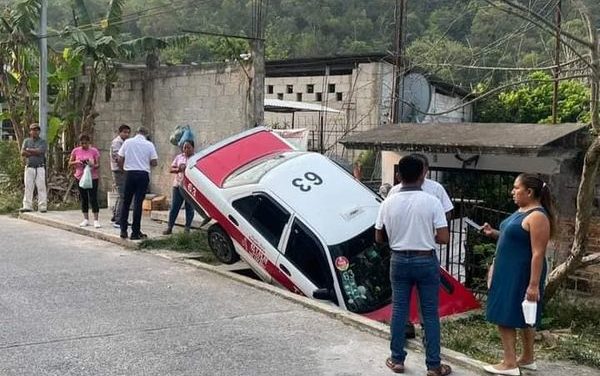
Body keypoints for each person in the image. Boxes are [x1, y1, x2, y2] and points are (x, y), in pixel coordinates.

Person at [375, 155, 452, 376]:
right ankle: (434, 365)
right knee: (429, 312)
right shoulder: (432, 201)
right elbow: (444, 238)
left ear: (399, 175)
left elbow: (379, 236)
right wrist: (426, 235)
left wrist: (399, 235)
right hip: (425, 259)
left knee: (399, 309)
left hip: (398, 260)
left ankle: (397, 359)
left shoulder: (388, 201)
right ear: (422, 174)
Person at [481, 174, 554, 376]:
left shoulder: (538, 216)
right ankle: (527, 358)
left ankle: (509, 363)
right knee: (523, 315)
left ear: (529, 192)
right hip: (507, 270)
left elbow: (538, 252)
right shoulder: (522, 211)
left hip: (520, 273)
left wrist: (533, 285)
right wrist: (494, 233)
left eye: (516, 188)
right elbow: (515, 236)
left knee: (505, 315)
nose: (512, 192)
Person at [118, 126, 158, 240]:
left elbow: (120, 159)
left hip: (129, 174)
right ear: (146, 135)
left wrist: (123, 170)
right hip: (142, 175)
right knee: (137, 204)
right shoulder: (149, 145)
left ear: (136, 133)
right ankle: (135, 232)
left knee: (126, 202)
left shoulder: (127, 142)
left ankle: (123, 230)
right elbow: (154, 162)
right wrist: (146, 160)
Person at [388, 153, 454, 217]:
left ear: (426, 168)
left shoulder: (436, 188)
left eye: (420, 166)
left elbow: (447, 211)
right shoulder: (394, 191)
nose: (417, 169)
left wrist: (438, 224)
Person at [163, 140, 195, 235]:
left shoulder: (196, 158)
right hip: (178, 185)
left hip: (190, 186)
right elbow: (171, 169)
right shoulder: (179, 157)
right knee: (175, 207)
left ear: (193, 148)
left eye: (188, 147)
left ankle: (187, 228)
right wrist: (178, 169)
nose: (186, 149)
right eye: (184, 147)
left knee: (189, 207)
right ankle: (169, 227)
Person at [69, 134, 101, 228]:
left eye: (86, 143)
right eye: (82, 143)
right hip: (80, 177)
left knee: (93, 198)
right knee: (84, 198)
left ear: (89, 142)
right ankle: (85, 219)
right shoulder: (76, 151)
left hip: (92, 177)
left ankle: (96, 219)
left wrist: (92, 164)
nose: (84, 145)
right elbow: (70, 163)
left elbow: (98, 164)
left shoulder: (94, 151)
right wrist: (77, 162)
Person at [19, 123, 48, 213]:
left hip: (40, 167)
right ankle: (27, 206)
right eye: (33, 130)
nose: (35, 132)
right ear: (30, 131)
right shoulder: (26, 141)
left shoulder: (42, 142)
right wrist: (34, 151)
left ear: (39, 131)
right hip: (29, 167)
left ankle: (42, 206)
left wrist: (29, 150)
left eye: (36, 130)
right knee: (28, 187)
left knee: (41, 186)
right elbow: (22, 152)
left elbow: (40, 151)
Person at [110, 124, 131, 228]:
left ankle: (116, 216)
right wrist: (124, 170)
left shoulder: (124, 142)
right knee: (123, 195)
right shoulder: (117, 142)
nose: (126, 134)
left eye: (128, 132)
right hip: (119, 171)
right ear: (120, 132)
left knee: (120, 195)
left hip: (121, 171)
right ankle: (119, 220)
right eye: (124, 132)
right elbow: (118, 158)